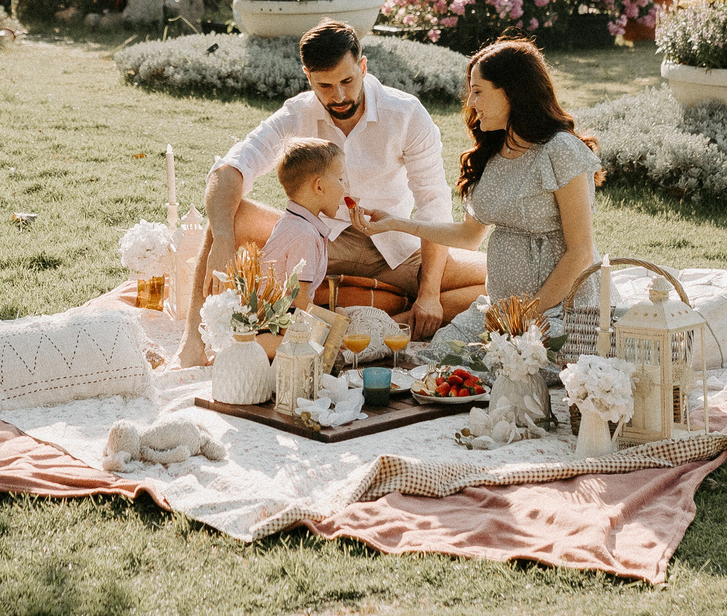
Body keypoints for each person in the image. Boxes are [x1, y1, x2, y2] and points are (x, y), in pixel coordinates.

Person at [191, 21, 483, 363]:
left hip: (396, 247)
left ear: (362, 66)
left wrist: (431, 293)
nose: (339, 96)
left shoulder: (405, 113)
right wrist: (224, 239)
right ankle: (192, 344)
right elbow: (229, 169)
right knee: (227, 216)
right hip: (317, 241)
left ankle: (386, 325)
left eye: (347, 81)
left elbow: (434, 204)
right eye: (325, 85)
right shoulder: (297, 112)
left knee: (498, 281)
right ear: (308, 76)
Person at [356, 37, 600, 333]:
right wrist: (397, 223)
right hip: (503, 309)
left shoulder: (559, 150)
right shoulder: (493, 154)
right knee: (446, 358)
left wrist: (527, 316)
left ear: (511, 92)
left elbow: (581, 252)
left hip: (557, 309)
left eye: (478, 92)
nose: (471, 103)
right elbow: (469, 236)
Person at [257, 137, 346, 309]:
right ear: (319, 187)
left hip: (278, 312)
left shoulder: (293, 222)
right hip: (275, 320)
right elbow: (301, 303)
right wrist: (334, 320)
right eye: (340, 179)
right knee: (344, 318)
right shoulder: (305, 235)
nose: (344, 187)